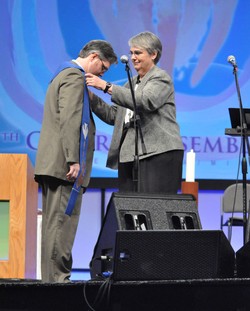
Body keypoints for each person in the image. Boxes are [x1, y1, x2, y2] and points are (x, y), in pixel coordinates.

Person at [34, 40, 118, 283]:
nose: (102, 73)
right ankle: (58, 282)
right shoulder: (74, 76)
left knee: (54, 226)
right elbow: (70, 121)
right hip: (64, 167)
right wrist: (74, 160)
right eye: (103, 67)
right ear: (93, 57)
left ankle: (52, 281)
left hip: (54, 165)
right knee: (62, 226)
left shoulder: (63, 73)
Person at [86, 31, 184, 194]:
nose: (133, 57)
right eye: (131, 53)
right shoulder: (129, 84)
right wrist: (90, 97)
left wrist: (106, 87)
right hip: (129, 155)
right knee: (130, 211)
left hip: (158, 153)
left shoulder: (161, 78)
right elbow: (114, 116)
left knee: (155, 210)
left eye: (138, 53)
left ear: (153, 54)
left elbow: (146, 101)